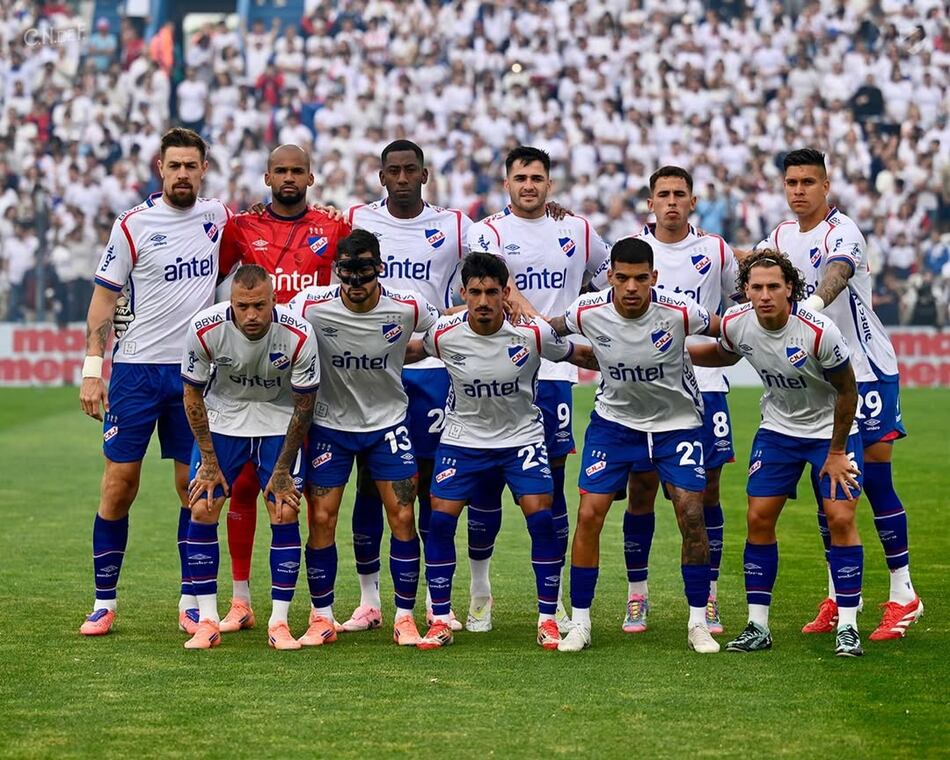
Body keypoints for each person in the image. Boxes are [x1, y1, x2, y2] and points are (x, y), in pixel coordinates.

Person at [757, 148, 922, 641]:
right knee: (827, 486)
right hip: (820, 377)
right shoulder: (781, 237)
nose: (799, 190)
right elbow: (751, 266)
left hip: (865, 372)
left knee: (874, 483)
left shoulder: (842, 230)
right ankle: (839, 594)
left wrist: (810, 303)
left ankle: (903, 594)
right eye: (792, 182)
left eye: (808, 182)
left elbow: (838, 272)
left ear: (826, 186)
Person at [78, 127, 232, 635]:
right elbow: (104, 300)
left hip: (195, 373)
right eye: (174, 165)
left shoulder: (218, 217)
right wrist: (93, 371)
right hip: (137, 372)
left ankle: (191, 600)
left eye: (191, 165)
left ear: (203, 169)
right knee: (119, 485)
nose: (182, 174)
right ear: (159, 168)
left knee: (194, 488)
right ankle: (104, 601)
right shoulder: (133, 225)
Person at [414, 251, 597, 650]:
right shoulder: (444, 333)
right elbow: (408, 352)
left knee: (542, 520)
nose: (483, 301)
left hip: (521, 439)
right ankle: (441, 619)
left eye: (492, 292)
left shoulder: (532, 332)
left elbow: (577, 354)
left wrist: (628, 361)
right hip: (463, 439)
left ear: (505, 294)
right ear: (463, 293)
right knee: (440, 521)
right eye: (475, 292)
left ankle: (548, 619)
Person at [689, 250, 865, 657]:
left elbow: (847, 390)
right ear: (746, 291)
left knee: (840, 518)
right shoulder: (736, 322)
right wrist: (681, 353)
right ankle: (758, 625)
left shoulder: (818, 331)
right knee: (758, 518)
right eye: (757, 287)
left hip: (830, 432)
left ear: (790, 289)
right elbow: (727, 353)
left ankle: (848, 626)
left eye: (773, 286)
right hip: (778, 431)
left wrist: (837, 451)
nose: (765, 295)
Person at [463, 145, 610, 633]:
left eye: (537, 178)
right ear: (507, 183)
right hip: (493, 370)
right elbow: (500, 285)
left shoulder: (578, 230)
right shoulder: (488, 231)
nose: (529, 185)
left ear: (550, 184)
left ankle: (555, 599)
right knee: (485, 485)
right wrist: (531, 314)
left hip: (553, 375)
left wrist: (579, 321)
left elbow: (609, 280)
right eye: (520, 178)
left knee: (550, 488)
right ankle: (480, 594)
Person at [550, 237, 720, 655]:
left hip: (676, 425)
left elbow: (728, 330)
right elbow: (548, 330)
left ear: (654, 277)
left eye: (640, 278)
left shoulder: (680, 311)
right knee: (589, 514)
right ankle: (581, 623)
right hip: (614, 425)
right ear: (609, 276)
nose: (631, 287)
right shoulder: (587, 310)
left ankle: (698, 622)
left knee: (691, 513)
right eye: (622, 278)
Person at [207, 144, 350, 636]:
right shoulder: (241, 227)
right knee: (245, 487)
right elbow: (212, 283)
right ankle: (241, 600)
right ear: (267, 177)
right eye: (280, 171)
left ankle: (319, 609)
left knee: (306, 495)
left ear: (310, 177)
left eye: (297, 171)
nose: (289, 178)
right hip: (253, 376)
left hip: (312, 374)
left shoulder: (333, 226)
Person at [342, 140, 472, 633]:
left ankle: (438, 601)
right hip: (370, 372)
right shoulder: (355, 218)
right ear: (381, 177)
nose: (401, 178)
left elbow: (495, 266)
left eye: (410, 170)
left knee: (430, 490)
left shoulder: (454, 226)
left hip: (431, 372)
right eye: (393, 171)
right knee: (369, 489)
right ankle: (369, 601)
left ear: (424, 174)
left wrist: (439, 330)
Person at [287, 229, 440, 647]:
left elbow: (447, 327)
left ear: (380, 269)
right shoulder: (311, 304)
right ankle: (321, 617)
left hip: (388, 425)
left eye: (365, 273)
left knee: (403, 517)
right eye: (347, 273)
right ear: (336, 270)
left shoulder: (408, 305)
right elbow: (274, 326)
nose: (356, 283)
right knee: (322, 519)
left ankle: (405, 618)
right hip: (330, 426)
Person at [619, 166, 741, 636]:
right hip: (645, 389)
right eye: (663, 194)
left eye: (680, 194)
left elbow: (736, 305)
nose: (671, 202)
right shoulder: (632, 248)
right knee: (642, 490)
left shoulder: (715, 250)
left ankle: (708, 595)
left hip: (705, 385)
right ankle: (637, 594)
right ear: (650, 202)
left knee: (706, 492)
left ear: (693, 201)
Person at [179, 265, 319, 650]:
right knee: (202, 506)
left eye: (260, 305)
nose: (252, 315)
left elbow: (305, 405)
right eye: (243, 307)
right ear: (231, 303)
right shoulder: (204, 328)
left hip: (278, 418)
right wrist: (209, 462)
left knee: (284, 510)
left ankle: (279, 623)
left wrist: (282, 469)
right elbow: (192, 396)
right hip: (224, 418)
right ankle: (208, 621)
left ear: (274, 300)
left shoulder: (299, 333)